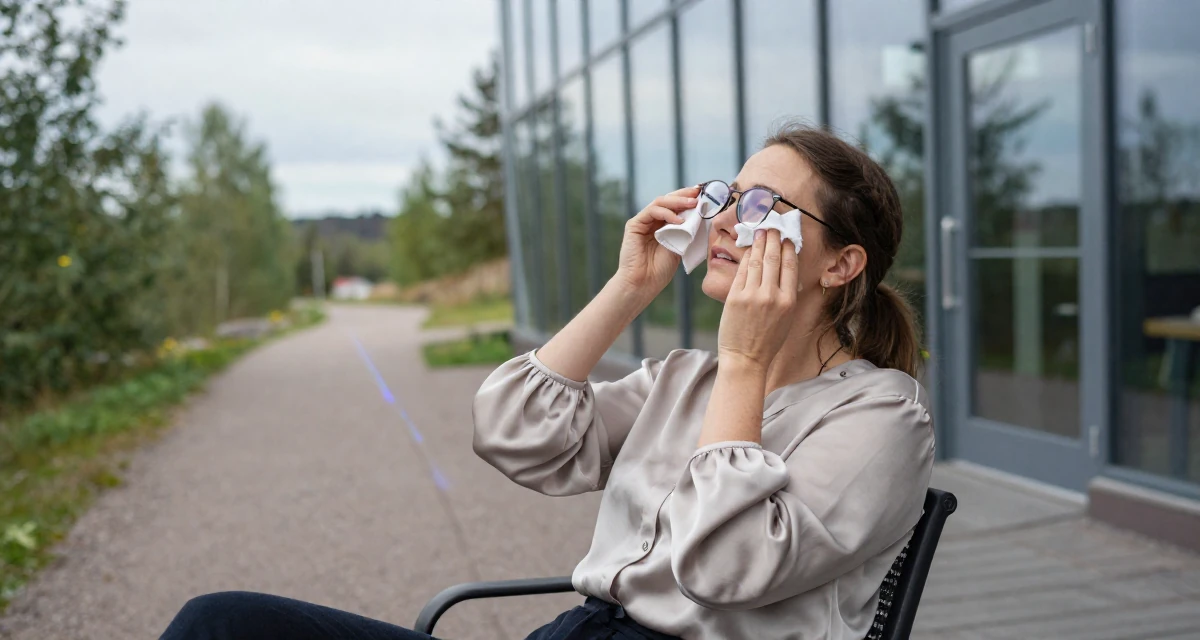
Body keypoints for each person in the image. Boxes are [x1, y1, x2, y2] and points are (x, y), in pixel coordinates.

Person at [160, 123, 934, 640]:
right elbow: (516, 436)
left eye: (765, 204)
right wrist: (629, 287)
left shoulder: (883, 420)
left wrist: (745, 363)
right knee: (220, 624)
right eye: (728, 196)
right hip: (576, 634)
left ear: (840, 264)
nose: (728, 220)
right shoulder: (683, 381)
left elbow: (726, 568)